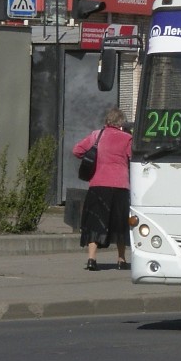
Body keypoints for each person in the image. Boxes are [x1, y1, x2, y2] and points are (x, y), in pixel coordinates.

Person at [72, 107, 132, 271]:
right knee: (120, 224)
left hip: (98, 185)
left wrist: (92, 158)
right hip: (120, 186)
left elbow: (76, 150)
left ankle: (92, 259)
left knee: (95, 222)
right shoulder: (127, 138)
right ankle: (121, 260)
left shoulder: (96, 135)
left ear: (107, 121)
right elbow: (133, 157)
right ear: (121, 123)